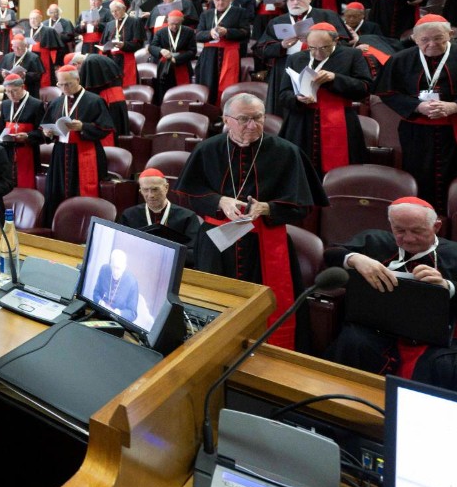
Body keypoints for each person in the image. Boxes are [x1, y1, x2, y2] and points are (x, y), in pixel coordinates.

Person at [176, 93, 327, 349]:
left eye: (258, 118)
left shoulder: (287, 153)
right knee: (214, 305)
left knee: (266, 309)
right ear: (226, 120)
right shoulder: (208, 149)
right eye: (244, 119)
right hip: (217, 244)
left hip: (265, 244)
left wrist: (268, 208)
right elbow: (191, 195)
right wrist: (219, 201)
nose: (252, 125)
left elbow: (303, 207)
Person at [325, 198, 457, 394]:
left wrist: (448, 287)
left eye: (417, 231)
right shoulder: (375, 241)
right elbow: (331, 254)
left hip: (435, 340)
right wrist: (355, 259)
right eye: (400, 231)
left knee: (448, 370)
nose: (408, 239)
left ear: (436, 226)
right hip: (376, 330)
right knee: (352, 342)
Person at [375, 15, 457, 211]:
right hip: (417, 133)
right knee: (420, 177)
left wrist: (456, 106)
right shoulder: (400, 59)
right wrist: (416, 106)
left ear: (450, 35)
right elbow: (387, 92)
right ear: (415, 39)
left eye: (438, 38)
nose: (432, 44)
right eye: (424, 40)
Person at [276, 23, 372, 175]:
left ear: (336, 41)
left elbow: (365, 88)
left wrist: (336, 78)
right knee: (300, 171)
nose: (317, 53)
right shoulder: (295, 58)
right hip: (301, 123)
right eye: (312, 48)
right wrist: (297, 99)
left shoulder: (352, 55)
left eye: (324, 48)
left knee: (341, 173)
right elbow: (283, 95)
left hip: (340, 118)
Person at [35, 64, 113, 224]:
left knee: (82, 192)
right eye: (60, 84)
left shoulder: (94, 100)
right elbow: (45, 126)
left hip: (85, 152)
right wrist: (47, 133)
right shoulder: (56, 102)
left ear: (77, 79)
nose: (64, 88)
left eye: (68, 84)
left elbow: (106, 127)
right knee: (57, 191)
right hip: (60, 154)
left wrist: (83, 127)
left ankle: (84, 227)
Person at [253, 0, 344, 117]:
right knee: (283, 114)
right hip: (284, 70)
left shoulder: (326, 15)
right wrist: (282, 46)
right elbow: (261, 49)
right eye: (291, 0)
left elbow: (343, 43)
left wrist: (315, 42)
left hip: (318, 68)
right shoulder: (277, 21)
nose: (295, 2)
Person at [118, 168, 201, 265]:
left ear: (166, 187)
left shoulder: (187, 217)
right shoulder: (128, 215)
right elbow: (121, 247)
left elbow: (194, 254)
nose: (151, 195)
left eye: (155, 189)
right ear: (140, 190)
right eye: (145, 190)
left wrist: (162, 255)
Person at [193, 0, 251, 105]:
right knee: (208, 83)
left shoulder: (240, 12)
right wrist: (209, 33)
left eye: (223, 0)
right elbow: (198, 35)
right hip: (209, 55)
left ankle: (225, 111)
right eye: (217, 0)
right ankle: (209, 110)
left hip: (229, 53)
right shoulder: (206, 14)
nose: (220, 3)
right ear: (213, 0)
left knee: (228, 85)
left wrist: (227, 32)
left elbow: (245, 33)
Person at [0, 73, 44, 189]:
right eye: (7, 92)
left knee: (27, 185)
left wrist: (28, 136)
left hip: (28, 152)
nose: (11, 95)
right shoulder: (5, 104)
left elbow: (42, 132)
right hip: (9, 153)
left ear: (22, 87)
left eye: (14, 91)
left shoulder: (36, 104)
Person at [148, 10, 197, 102]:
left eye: (177, 24)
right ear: (167, 21)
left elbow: (192, 51)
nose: (174, 27)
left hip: (182, 65)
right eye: (172, 24)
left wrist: (176, 59)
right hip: (165, 68)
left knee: (183, 92)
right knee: (165, 92)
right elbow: (152, 47)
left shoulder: (189, 32)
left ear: (182, 22)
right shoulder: (160, 32)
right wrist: (161, 50)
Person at [91, 249, 139, 321]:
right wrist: (100, 302)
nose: (115, 272)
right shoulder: (104, 269)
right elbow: (96, 293)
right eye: (113, 267)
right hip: (99, 313)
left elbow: (132, 313)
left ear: (124, 267)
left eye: (118, 268)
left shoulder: (132, 282)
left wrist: (118, 313)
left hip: (117, 321)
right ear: (110, 264)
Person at [34, 4, 75, 86]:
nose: (54, 14)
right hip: (47, 51)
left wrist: (56, 35)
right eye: (52, 12)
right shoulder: (44, 23)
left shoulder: (65, 22)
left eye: (56, 12)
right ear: (49, 13)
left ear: (59, 12)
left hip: (61, 50)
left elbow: (70, 36)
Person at [0, 32, 44, 97]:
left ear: (25, 46)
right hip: (10, 90)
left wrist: (25, 75)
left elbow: (38, 75)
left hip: (29, 90)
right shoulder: (7, 57)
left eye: (19, 47)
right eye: (14, 47)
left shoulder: (34, 57)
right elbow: (0, 71)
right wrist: (3, 74)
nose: (16, 50)